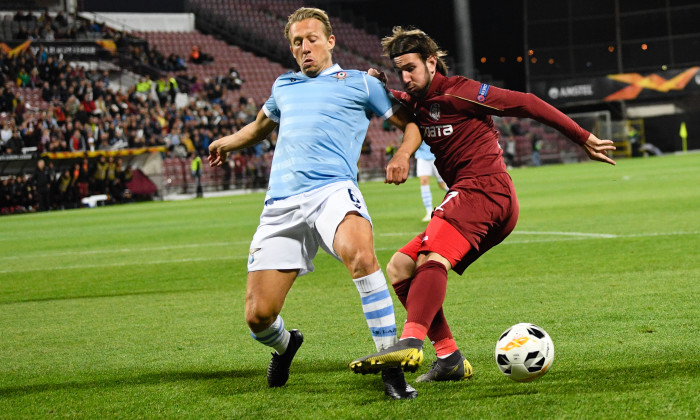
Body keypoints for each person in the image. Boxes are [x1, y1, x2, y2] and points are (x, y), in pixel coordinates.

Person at [349, 27, 616, 382]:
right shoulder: (417, 98)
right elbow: (403, 99)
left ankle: (410, 340)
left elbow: (529, 103)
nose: (406, 77)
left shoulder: (461, 91)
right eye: (401, 70)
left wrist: (581, 137)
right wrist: (383, 85)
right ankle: (449, 358)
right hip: (472, 196)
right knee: (400, 266)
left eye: (411, 68)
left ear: (431, 62)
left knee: (433, 258)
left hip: (485, 190)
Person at [207, 8, 422, 400]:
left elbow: (410, 123)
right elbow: (258, 128)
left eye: (311, 39)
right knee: (258, 316)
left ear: (330, 41)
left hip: (332, 192)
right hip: (281, 205)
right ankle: (286, 345)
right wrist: (227, 141)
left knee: (361, 255)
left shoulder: (360, 83)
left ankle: (390, 368)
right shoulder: (283, 86)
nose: (304, 47)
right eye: (297, 42)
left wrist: (403, 156)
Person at [414, 141, 448, 222]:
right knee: (424, 181)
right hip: (422, 156)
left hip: (437, 155)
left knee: (442, 184)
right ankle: (429, 212)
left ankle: (461, 196)